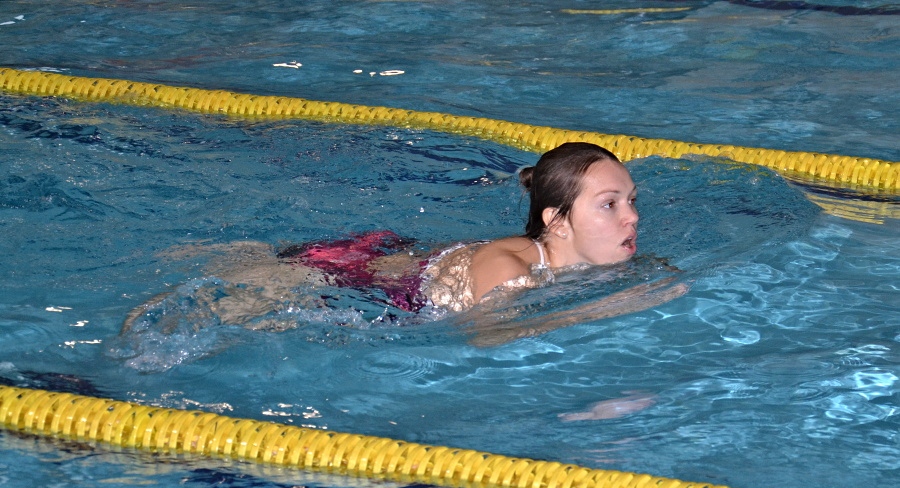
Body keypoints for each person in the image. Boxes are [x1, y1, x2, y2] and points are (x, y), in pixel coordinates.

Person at [122, 142, 686, 339]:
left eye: (631, 200)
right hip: (351, 280)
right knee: (205, 312)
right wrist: (606, 308)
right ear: (557, 221)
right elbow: (487, 336)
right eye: (610, 204)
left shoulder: (602, 260)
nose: (632, 217)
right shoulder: (510, 267)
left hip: (396, 259)